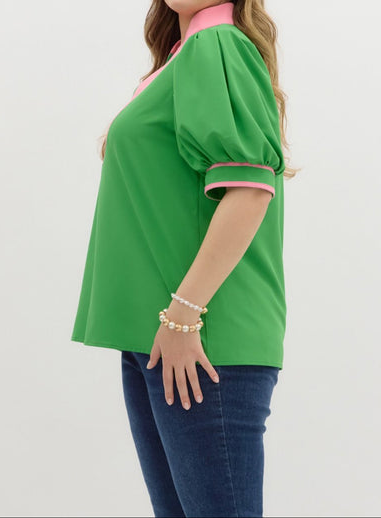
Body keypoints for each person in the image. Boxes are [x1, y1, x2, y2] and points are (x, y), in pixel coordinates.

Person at [71, 1, 298, 516]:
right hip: (162, 339)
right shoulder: (184, 53)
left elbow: (249, 190)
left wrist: (183, 315)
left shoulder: (217, 43)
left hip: (198, 339)